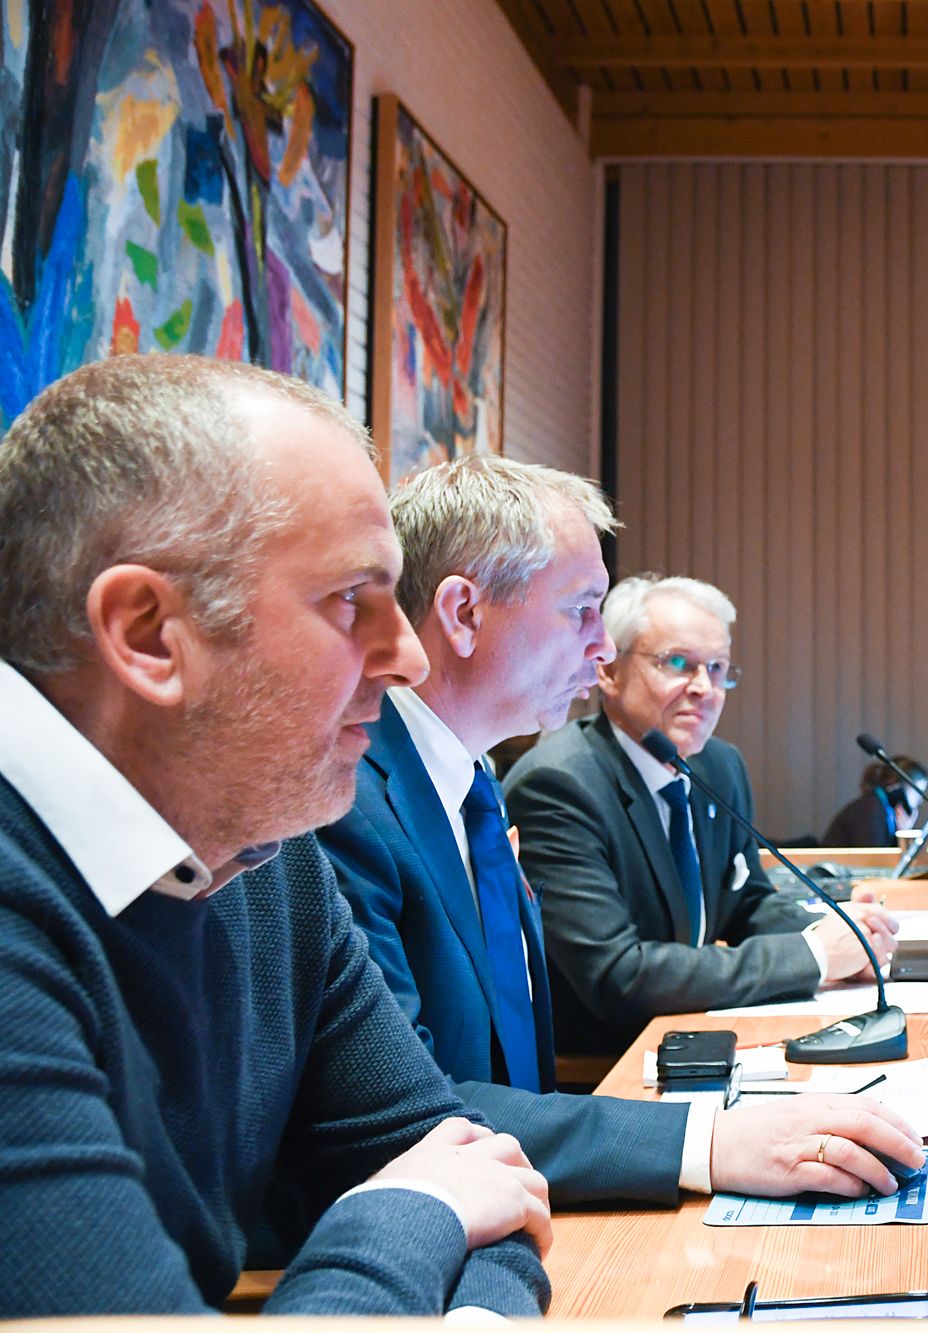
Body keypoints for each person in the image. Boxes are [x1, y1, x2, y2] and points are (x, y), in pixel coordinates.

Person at [0, 356, 551, 1316]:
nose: (409, 654)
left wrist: (439, 1247)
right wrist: (405, 1218)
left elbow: (487, 1185)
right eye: (353, 600)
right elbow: (437, 1191)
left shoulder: (258, 848)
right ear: (147, 634)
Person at [317, 458, 922, 1204]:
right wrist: (708, 1140)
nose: (601, 648)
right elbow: (418, 1114)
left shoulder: (470, 785)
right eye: (580, 611)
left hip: (530, 1202)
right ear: (465, 613)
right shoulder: (344, 806)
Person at [506, 575, 900, 1053]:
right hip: (609, 1065)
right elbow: (619, 975)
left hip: (697, 1031)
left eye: (718, 668)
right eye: (678, 663)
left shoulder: (719, 765)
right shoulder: (559, 785)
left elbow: (747, 903)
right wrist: (814, 955)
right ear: (608, 671)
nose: (703, 688)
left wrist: (841, 935)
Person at [824, 755, 928, 848]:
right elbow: (873, 859)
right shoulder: (871, 809)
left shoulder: (882, 807)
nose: (920, 800)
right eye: (917, 792)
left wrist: (903, 834)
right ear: (895, 785)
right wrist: (903, 837)